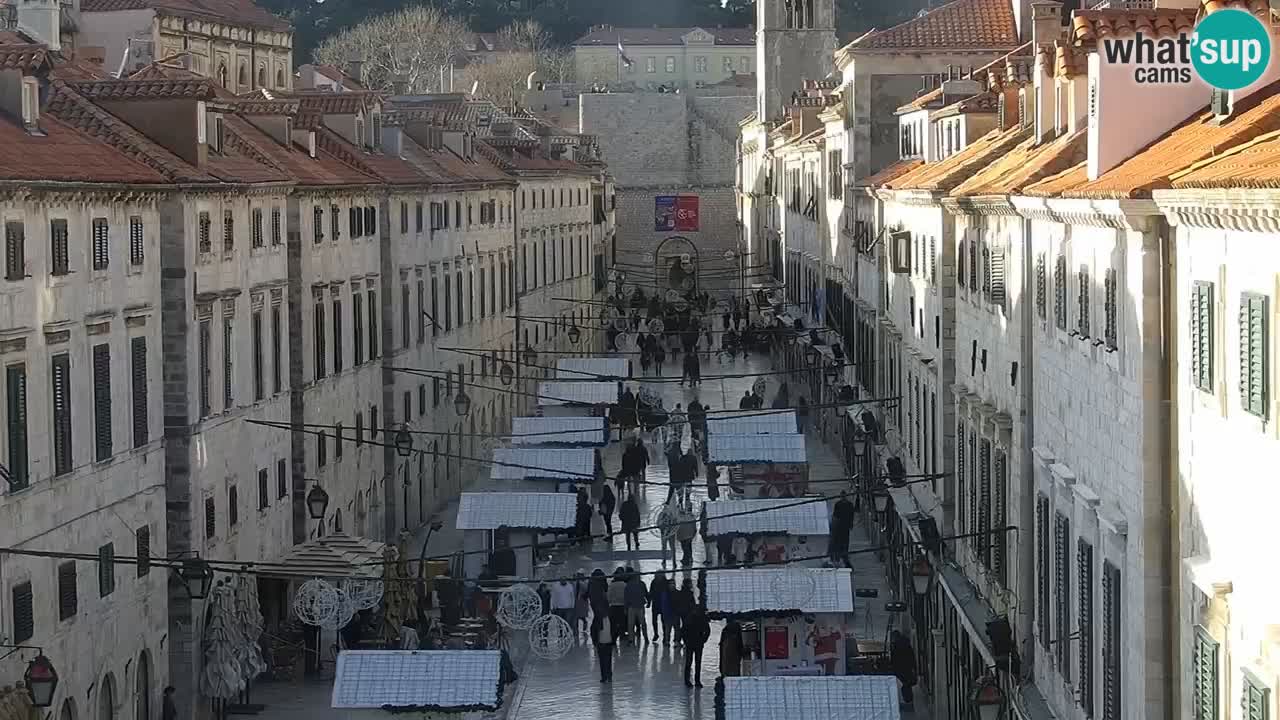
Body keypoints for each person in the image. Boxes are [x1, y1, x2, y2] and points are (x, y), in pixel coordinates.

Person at [682, 605, 711, 687]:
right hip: (698, 643)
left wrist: (685, 641)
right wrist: (704, 640)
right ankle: (697, 681)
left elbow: (683, 630)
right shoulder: (702, 618)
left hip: (691, 643)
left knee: (689, 662)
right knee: (697, 662)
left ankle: (687, 680)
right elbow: (708, 630)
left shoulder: (689, 618)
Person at [890, 630, 918, 705]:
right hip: (907, 668)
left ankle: (907, 701)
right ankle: (909, 701)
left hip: (900, 669)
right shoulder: (907, 645)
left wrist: (893, 669)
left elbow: (894, 660)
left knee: (904, 685)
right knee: (907, 684)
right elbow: (912, 657)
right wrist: (914, 667)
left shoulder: (896, 646)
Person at [591, 608, 617, 683]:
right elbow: (593, 630)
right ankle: (605, 676)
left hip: (608, 643)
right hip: (601, 643)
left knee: (607, 660)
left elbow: (614, 629)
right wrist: (595, 641)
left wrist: (613, 640)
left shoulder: (609, 618)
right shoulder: (598, 619)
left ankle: (607, 676)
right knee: (603, 661)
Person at [624, 571, 650, 644]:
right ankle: (645, 637)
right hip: (640, 606)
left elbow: (626, 598)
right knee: (642, 623)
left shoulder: (628, 585)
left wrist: (625, 608)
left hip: (632, 607)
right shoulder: (641, 584)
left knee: (631, 624)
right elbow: (646, 594)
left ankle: (631, 639)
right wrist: (648, 602)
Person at [830, 491, 855, 563]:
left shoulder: (838, 504)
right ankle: (844, 554)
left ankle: (841, 554)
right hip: (845, 525)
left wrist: (834, 525)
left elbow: (835, 516)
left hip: (840, 525)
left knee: (840, 540)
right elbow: (851, 515)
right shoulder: (849, 504)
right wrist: (851, 524)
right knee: (845, 540)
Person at [649, 572, 674, 644]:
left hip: (661, 604)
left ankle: (662, 635)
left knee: (661, 620)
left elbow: (651, 592)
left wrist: (649, 602)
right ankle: (658, 634)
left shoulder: (656, 582)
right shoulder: (658, 582)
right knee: (657, 620)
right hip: (659, 604)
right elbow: (651, 592)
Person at [607, 568, 629, 644]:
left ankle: (613, 639)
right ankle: (622, 637)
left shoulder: (611, 585)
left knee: (613, 624)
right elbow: (627, 597)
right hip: (623, 606)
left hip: (613, 607)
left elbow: (608, 597)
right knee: (622, 623)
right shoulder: (625, 585)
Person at [671, 577, 695, 645]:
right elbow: (692, 604)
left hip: (678, 611)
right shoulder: (690, 593)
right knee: (686, 627)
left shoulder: (680, 592)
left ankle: (677, 640)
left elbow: (676, 602)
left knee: (677, 627)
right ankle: (685, 640)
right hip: (687, 612)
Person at [676, 501, 697, 566]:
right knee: (688, 546)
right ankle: (689, 558)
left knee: (685, 547)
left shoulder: (680, 517)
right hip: (690, 534)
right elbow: (694, 526)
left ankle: (686, 560)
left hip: (684, 535)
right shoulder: (692, 516)